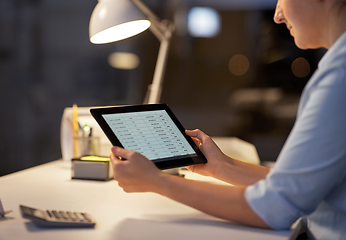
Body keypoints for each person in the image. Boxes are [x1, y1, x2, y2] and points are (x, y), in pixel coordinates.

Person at [109, 0, 346, 239]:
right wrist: (221, 166)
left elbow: (275, 207)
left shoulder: (340, 78)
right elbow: (295, 186)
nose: (277, 15)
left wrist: (157, 181)